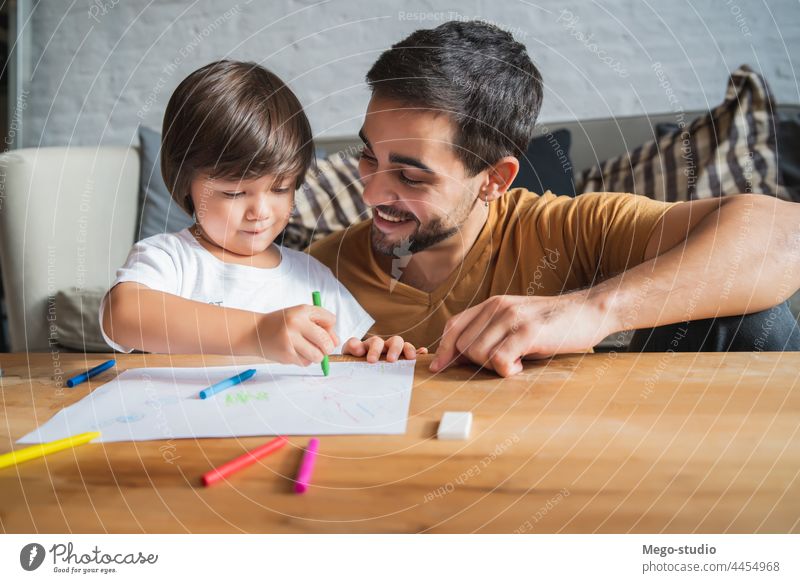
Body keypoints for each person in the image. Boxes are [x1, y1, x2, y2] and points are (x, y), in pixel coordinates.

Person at [309, 21, 800, 377]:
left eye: (412, 178)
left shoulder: (565, 229)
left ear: (494, 180)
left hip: (577, 474)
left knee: (750, 319)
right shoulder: (316, 272)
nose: (371, 191)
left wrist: (591, 310)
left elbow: (786, 235)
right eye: (369, 156)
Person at [101, 60, 424, 365]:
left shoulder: (312, 276)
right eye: (235, 193)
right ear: (186, 183)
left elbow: (346, 353)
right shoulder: (172, 260)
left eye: (281, 189)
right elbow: (122, 314)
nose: (260, 211)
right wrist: (257, 332)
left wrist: (373, 352)